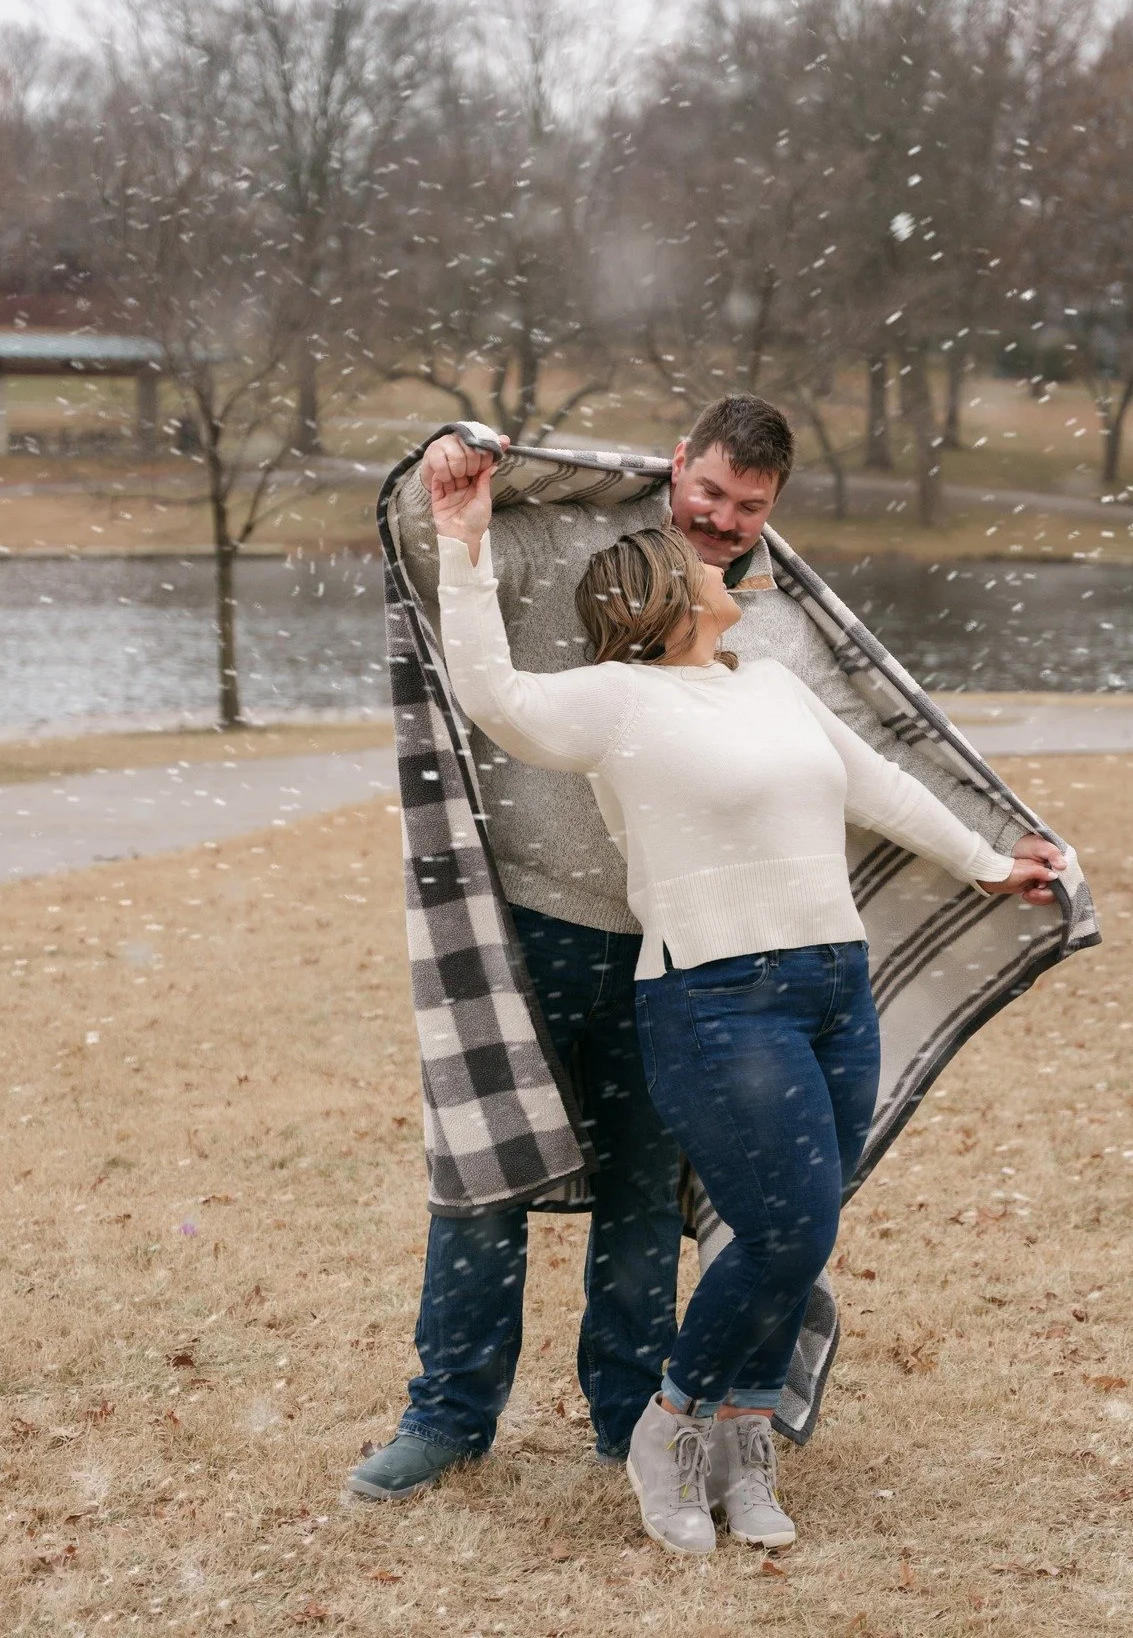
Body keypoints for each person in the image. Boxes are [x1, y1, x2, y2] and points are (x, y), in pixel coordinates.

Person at [349, 394, 1061, 1507]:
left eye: (751, 507)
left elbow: (868, 761)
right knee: (484, 1177)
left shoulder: (763, 620)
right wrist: (451, 495)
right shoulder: (564, 534)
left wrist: (984, 855)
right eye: (712, 492)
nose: (725, 521)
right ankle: (447, 1417)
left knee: (643, 1195)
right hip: (535, 917)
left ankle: (635, 1419)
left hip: (679, 960)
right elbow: (424, 557)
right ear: (677, 463)